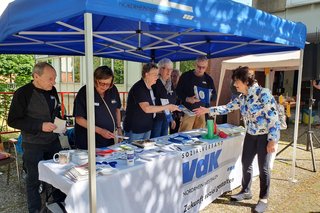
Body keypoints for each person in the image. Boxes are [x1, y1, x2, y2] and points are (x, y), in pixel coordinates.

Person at [193, 66, 280, 213]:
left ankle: (263, 199)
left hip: (264, 136)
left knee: (264, 168)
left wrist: (272, 140)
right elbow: (227, 108)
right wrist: (207, 110)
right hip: (250, 135)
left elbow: (274, 119)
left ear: (246, 81)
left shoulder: (263, 94)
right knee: (246, 163)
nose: (234, 84)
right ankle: (246, 191)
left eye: (236, 81)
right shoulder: (242, 97)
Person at [8, 62, 65, 213]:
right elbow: (13, 120)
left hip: (53, 141)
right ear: (36, 76)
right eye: (50, 78)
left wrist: (60, 124)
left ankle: (59, 205)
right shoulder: (22, 93)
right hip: (33, 144)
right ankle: (34, 210)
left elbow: (55, 112)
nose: (53, 82)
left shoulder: (52, 90)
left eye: (55, 78)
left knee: (60, 174)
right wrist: (40, 125)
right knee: (33, 180)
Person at [123, 63, 179, 142]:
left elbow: (153, 108)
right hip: (136, 129)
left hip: (146, 127)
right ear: (147, 74)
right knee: (134, 153)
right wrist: (167, 107)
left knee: (144, 152)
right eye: (155, 74)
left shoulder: (150, 87)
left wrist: (168, 110)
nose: (157, 77)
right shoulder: (139, 87)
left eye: (157, 74)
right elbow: (146, 108)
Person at [73, 66, 122, 149]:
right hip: (88, 140)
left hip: (108, 140)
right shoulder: (84, 92)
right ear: (95, 80)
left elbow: (117, 109)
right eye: (102, 83)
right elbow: (79, 119)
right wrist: (100, 131)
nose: (105, 87)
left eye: (108, 84)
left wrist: (119, 128)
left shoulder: (113, 89)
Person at [176, 55, 216, 132]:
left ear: (206, 67)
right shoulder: (186, 76)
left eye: (203, 67)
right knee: (184, 135)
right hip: (188, 111)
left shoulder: (208, 79)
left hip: (201, 112)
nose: (200, 69)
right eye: (199, 66)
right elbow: (178, 92)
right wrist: (187, 99)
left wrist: (208, 96)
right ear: (195, 64)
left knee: (199, 136)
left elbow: (214, 96)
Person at [151, 58, 176, 138]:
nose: (169, 72)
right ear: (160, 69)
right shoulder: (154, 82)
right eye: (166, 69)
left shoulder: (170, 83)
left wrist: (171, 118)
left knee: (164, 139)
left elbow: (173, 99)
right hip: (156, 117)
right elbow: (160, 99)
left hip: (166, 116)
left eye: (171, 69)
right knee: (155, 140)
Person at [170, 68, 183, 134]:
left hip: (180, 116)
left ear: (179, 77)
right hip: (171, 116)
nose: (172, 78)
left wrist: (182, 115)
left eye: (175, 76)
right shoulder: (169, 87)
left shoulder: (183, 88)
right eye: (171, 76)